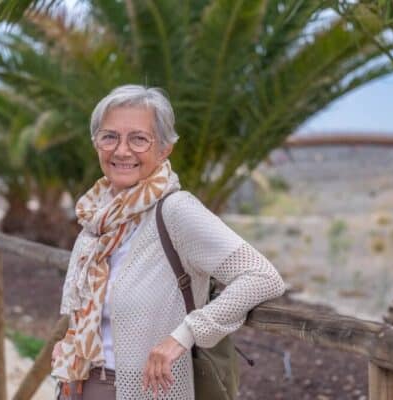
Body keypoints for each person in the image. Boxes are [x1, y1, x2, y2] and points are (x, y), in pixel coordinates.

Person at [51, 84, 286, 399]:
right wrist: (71, 344)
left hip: (145, 389)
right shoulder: (96, 215)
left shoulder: (176, 210)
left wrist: (184, 335)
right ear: (96, 144)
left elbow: (262, 277)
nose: (121, 150)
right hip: (79, 384)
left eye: (138, 138)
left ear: (164, 149)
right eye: (110, 137)